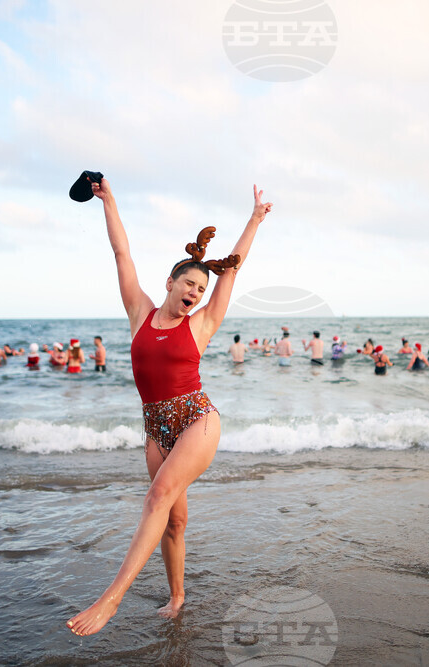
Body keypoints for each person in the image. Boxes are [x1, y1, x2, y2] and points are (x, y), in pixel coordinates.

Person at [66, 179, 271, 636]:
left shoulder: (201, 325)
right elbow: (122, 255)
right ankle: (177, 596)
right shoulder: (139, 313)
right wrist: (110, 202)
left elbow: (232, 270)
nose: (196, 293)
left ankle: (110, 600)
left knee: (156, 498)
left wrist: (254, 219)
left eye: (201, 288)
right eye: (190, 284)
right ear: (171, 283)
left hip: (197, 419)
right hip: (156, 430)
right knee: (173, 520)